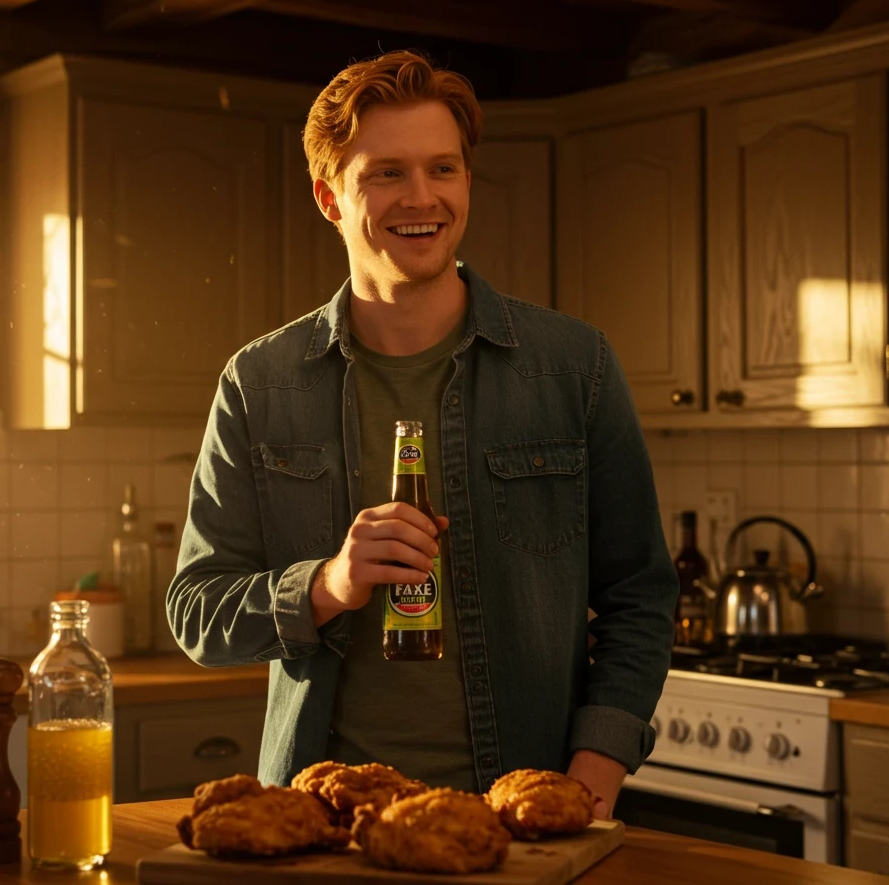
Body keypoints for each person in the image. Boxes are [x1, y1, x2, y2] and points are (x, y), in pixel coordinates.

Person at [168, 49, 678, 818]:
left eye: (443, 169)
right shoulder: (259, 382)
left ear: (467, 182)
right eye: (386, 173)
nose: (422, 197)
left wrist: (594, 772)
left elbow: (641, 595)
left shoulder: (574, 367)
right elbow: (196, 612)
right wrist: (327, 584)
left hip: (519, 822)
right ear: (329, 198)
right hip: (324, 824)